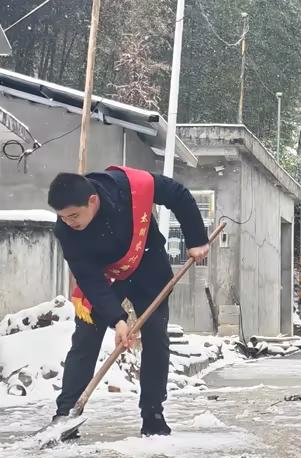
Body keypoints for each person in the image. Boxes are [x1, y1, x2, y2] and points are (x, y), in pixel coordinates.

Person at [48, 167, 210, 435]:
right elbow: (88, 278)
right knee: (86, 337)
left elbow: (178, 194)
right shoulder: (65, 230)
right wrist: (118, 320)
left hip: (148, 265)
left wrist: (196, 240)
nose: (69, 222)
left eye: (74, 215)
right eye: (62, 217)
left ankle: (153, 414)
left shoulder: (129, 187)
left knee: (155, 336)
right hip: (107, 278)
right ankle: (66, 415)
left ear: (92, 201)